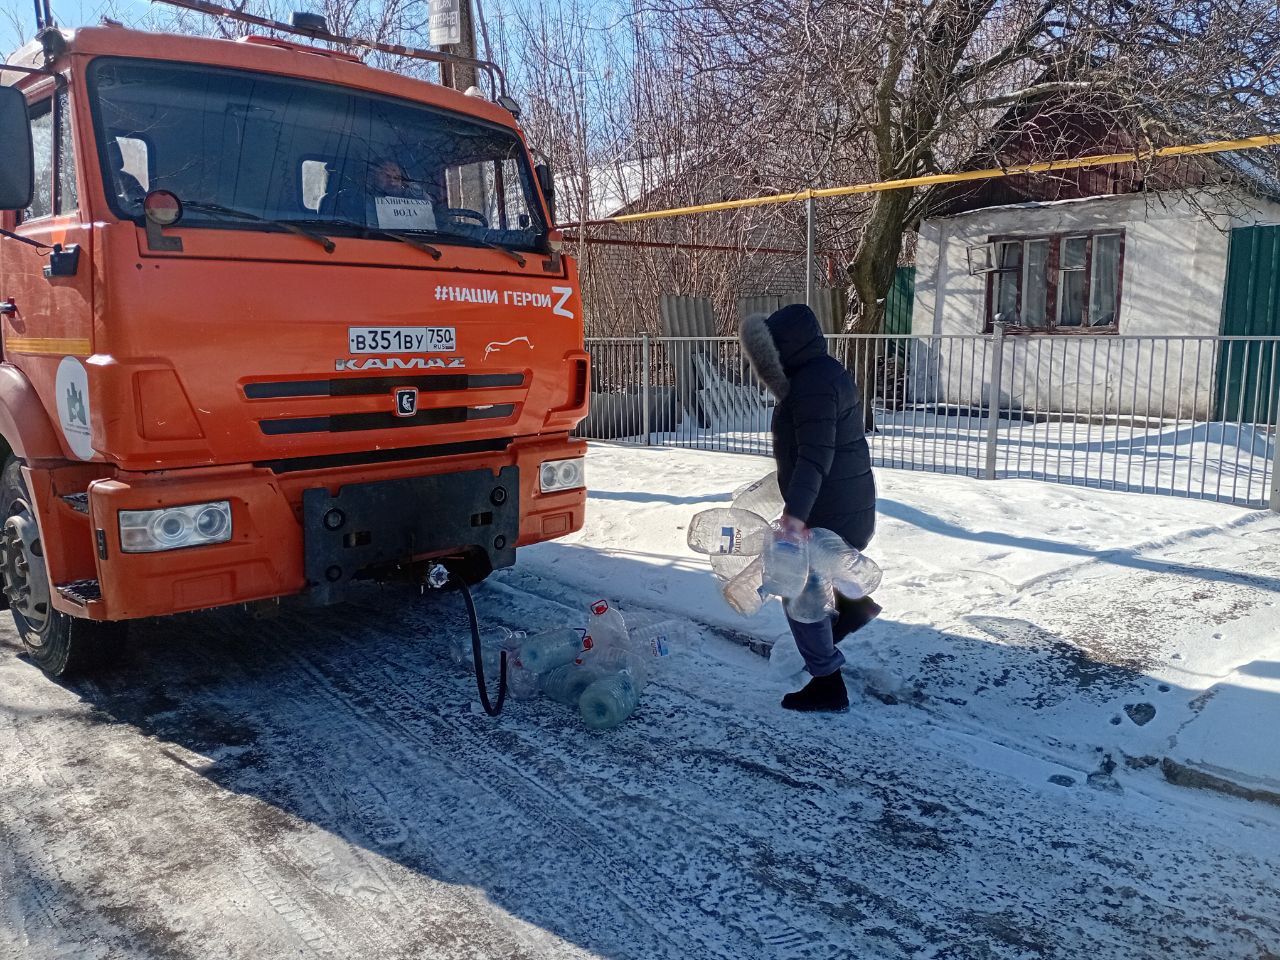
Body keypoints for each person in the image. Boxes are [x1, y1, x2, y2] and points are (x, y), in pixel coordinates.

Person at [740, 303, 879, 712]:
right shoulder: (821, 374)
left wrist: (796, 516)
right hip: (842, 501)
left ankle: (827, 684)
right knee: (811, 584)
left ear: (783, 350)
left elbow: (814, 457)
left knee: (797, 590)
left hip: (829, 509)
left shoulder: (813, 386)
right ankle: (851, 607)